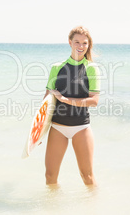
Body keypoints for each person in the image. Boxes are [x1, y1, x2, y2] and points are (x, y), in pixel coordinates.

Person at [44, 25, 101, 187]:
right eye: (77, 42)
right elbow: (47, 100)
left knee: (87, 177)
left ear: (88, 45)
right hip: (57, 127)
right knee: (50, 176)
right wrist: (38, 132)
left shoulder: (91, 69)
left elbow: (94, 101)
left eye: (84, 43)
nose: (80, 46)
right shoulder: (57, 67)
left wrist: (65, 99)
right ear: (70, 42)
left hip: (80, 128)